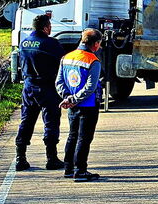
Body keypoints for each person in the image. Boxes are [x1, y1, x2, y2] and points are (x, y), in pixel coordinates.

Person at [15, 14, 67, 172]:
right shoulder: (51, 43)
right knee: (51, 122)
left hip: (29, 86)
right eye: (49, 26)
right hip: (47, 87)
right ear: (45, 27)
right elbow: (62, 62)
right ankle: (51, 158)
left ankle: (20, 158)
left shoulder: (24, 42)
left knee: (26, 121)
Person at [56, 28, 104, 182]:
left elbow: (59, 82)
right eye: (99, 44)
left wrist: (68, 98)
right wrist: (75, 99)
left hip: (72, 105)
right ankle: (80, 170)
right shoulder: (93, 61)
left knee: (72, 136)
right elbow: (90, 87)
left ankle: (68, 168)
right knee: (84, 138)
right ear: (95, 44)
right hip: (88, 105)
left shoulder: (66, 57)